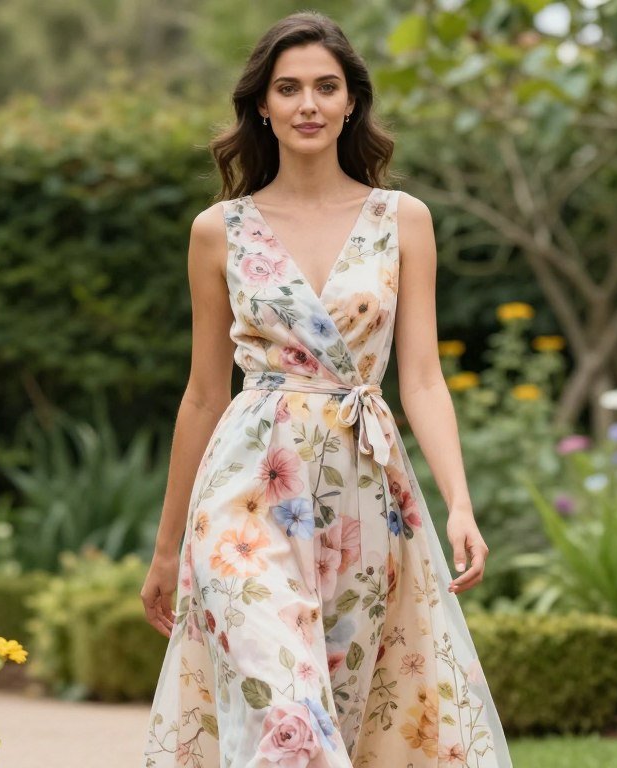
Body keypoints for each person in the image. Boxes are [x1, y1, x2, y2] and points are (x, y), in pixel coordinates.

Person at [140, 11, 514, 768]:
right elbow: (204, 396)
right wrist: (167, 546)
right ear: (263, 107)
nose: (307, 103)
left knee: (345, 713)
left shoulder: (402, 220)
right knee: (285, 710)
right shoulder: (219, 230)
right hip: (245, 488)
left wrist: (460, 502)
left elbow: (421, 377)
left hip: (364, 490)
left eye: (325, 86)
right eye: (288, 88)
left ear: (351, 103)